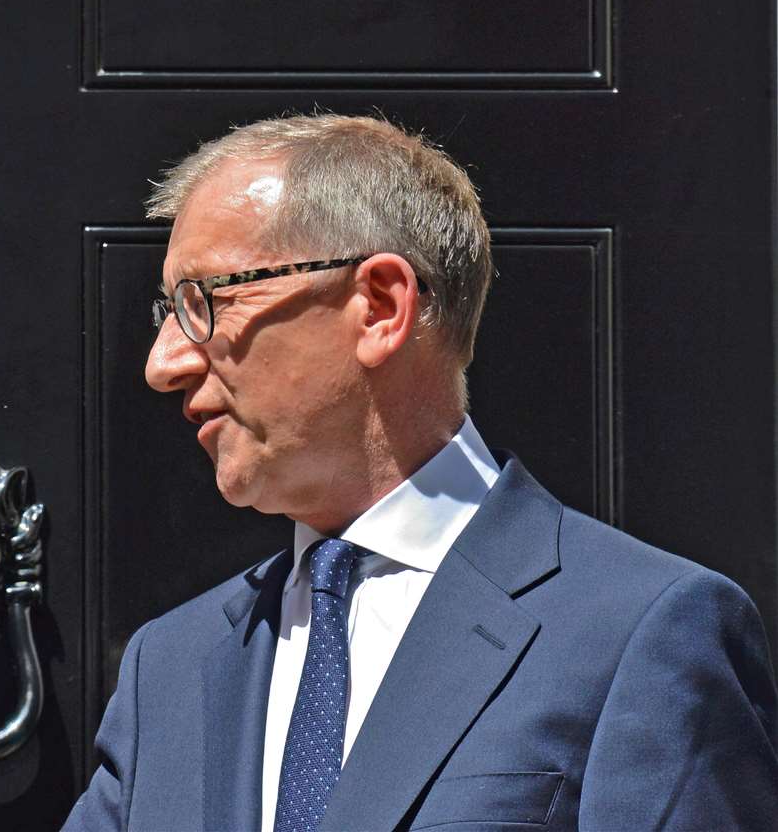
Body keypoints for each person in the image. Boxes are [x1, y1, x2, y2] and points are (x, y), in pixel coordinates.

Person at [63, 114, 778, 831]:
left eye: (204, 302)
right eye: (169, 311)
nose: (162, 364)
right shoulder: (170, 666)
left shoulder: (639, 630)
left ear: (377, 306)